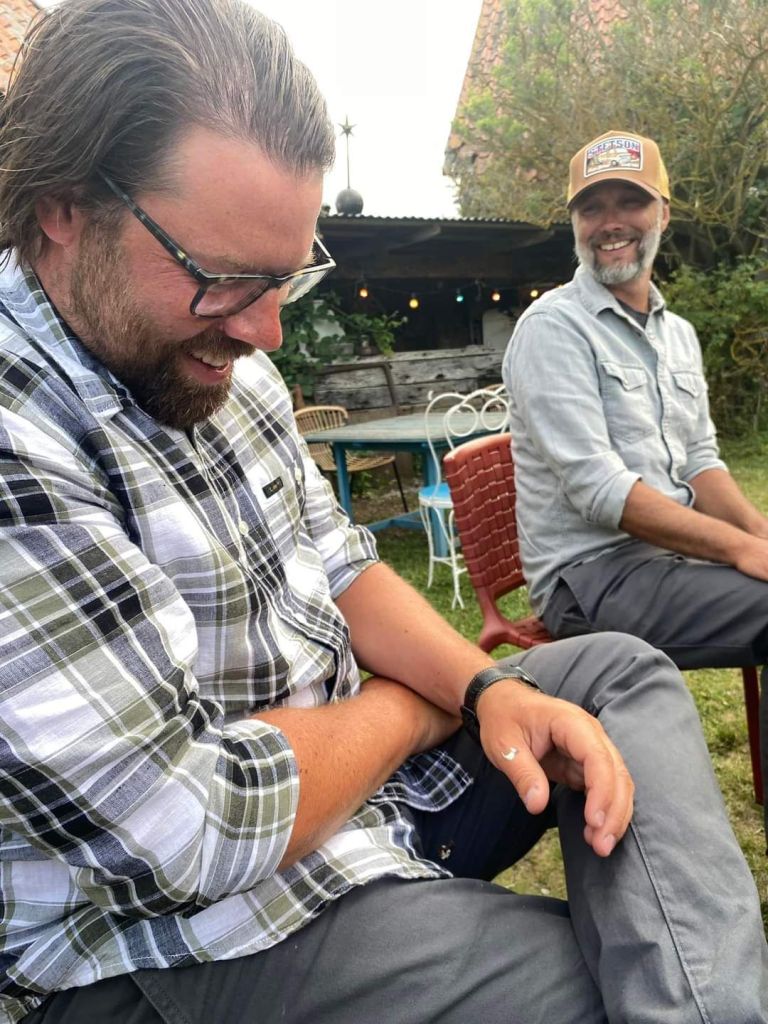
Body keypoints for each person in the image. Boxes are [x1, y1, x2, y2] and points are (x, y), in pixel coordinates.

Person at [0, 9, 764, 1019]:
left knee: (615, 676)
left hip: (352, 794)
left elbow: (341, 562)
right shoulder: (20, 435)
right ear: (62, 208)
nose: (268, 331)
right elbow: (189, 829)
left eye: (285, 278)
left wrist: (483, 687)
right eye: (226, 279)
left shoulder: (228, 369)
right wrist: (412, 709)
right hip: (161, 932)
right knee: (597, 989)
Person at [503, 129, 768, 683]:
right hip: (590, 581)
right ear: (575, 224)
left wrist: (758, 535)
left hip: (668, 561)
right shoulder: (553, 328)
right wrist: (738, 549)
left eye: (630, 202)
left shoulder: (678, 335)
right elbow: (600, 489)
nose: (610, 223)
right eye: (592, 208)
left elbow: (700, 460)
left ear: (663, 214)